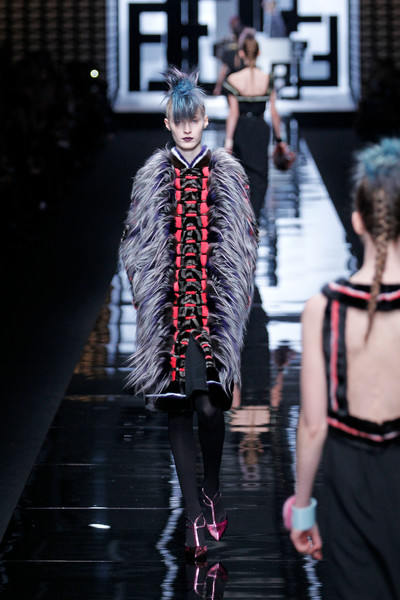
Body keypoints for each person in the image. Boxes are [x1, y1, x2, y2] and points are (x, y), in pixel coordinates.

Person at [120, 67, 258, 562]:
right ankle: (194, 516)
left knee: (210, 408)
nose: (185, 128)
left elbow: (245, 244)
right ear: (167, 123)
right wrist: (146, 301)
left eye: (193, 119)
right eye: (177, 121)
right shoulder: (152, 176)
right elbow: (133, 241)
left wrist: (235, 312)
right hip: (169, 312)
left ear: (204, 120)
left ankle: (212, 486)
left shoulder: (228, 173)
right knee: (179, 409)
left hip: (211, 315)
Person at [285, 138, 400, 599]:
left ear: (358, 220)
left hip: (349, 484)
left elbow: (313, 426)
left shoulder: (325, 308)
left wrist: (304, 510)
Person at [223, 34, 286, 222]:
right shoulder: (267, 79)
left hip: (241, 128)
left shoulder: (233, 79)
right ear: (258, 53)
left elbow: (233, 113)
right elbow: (273, 112)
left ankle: (241, 219)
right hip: (260, 128)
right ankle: (254, 217)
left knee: (239, 174)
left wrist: (228, 141)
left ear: (241, 53)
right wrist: (280, 140)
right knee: (260, 175)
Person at [212, 15, 244, 96]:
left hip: (237, 81)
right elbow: (224, 68)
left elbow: (223, 69)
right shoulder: (227, 41)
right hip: (237, 81)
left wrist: (218, 87)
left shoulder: (243, 45)